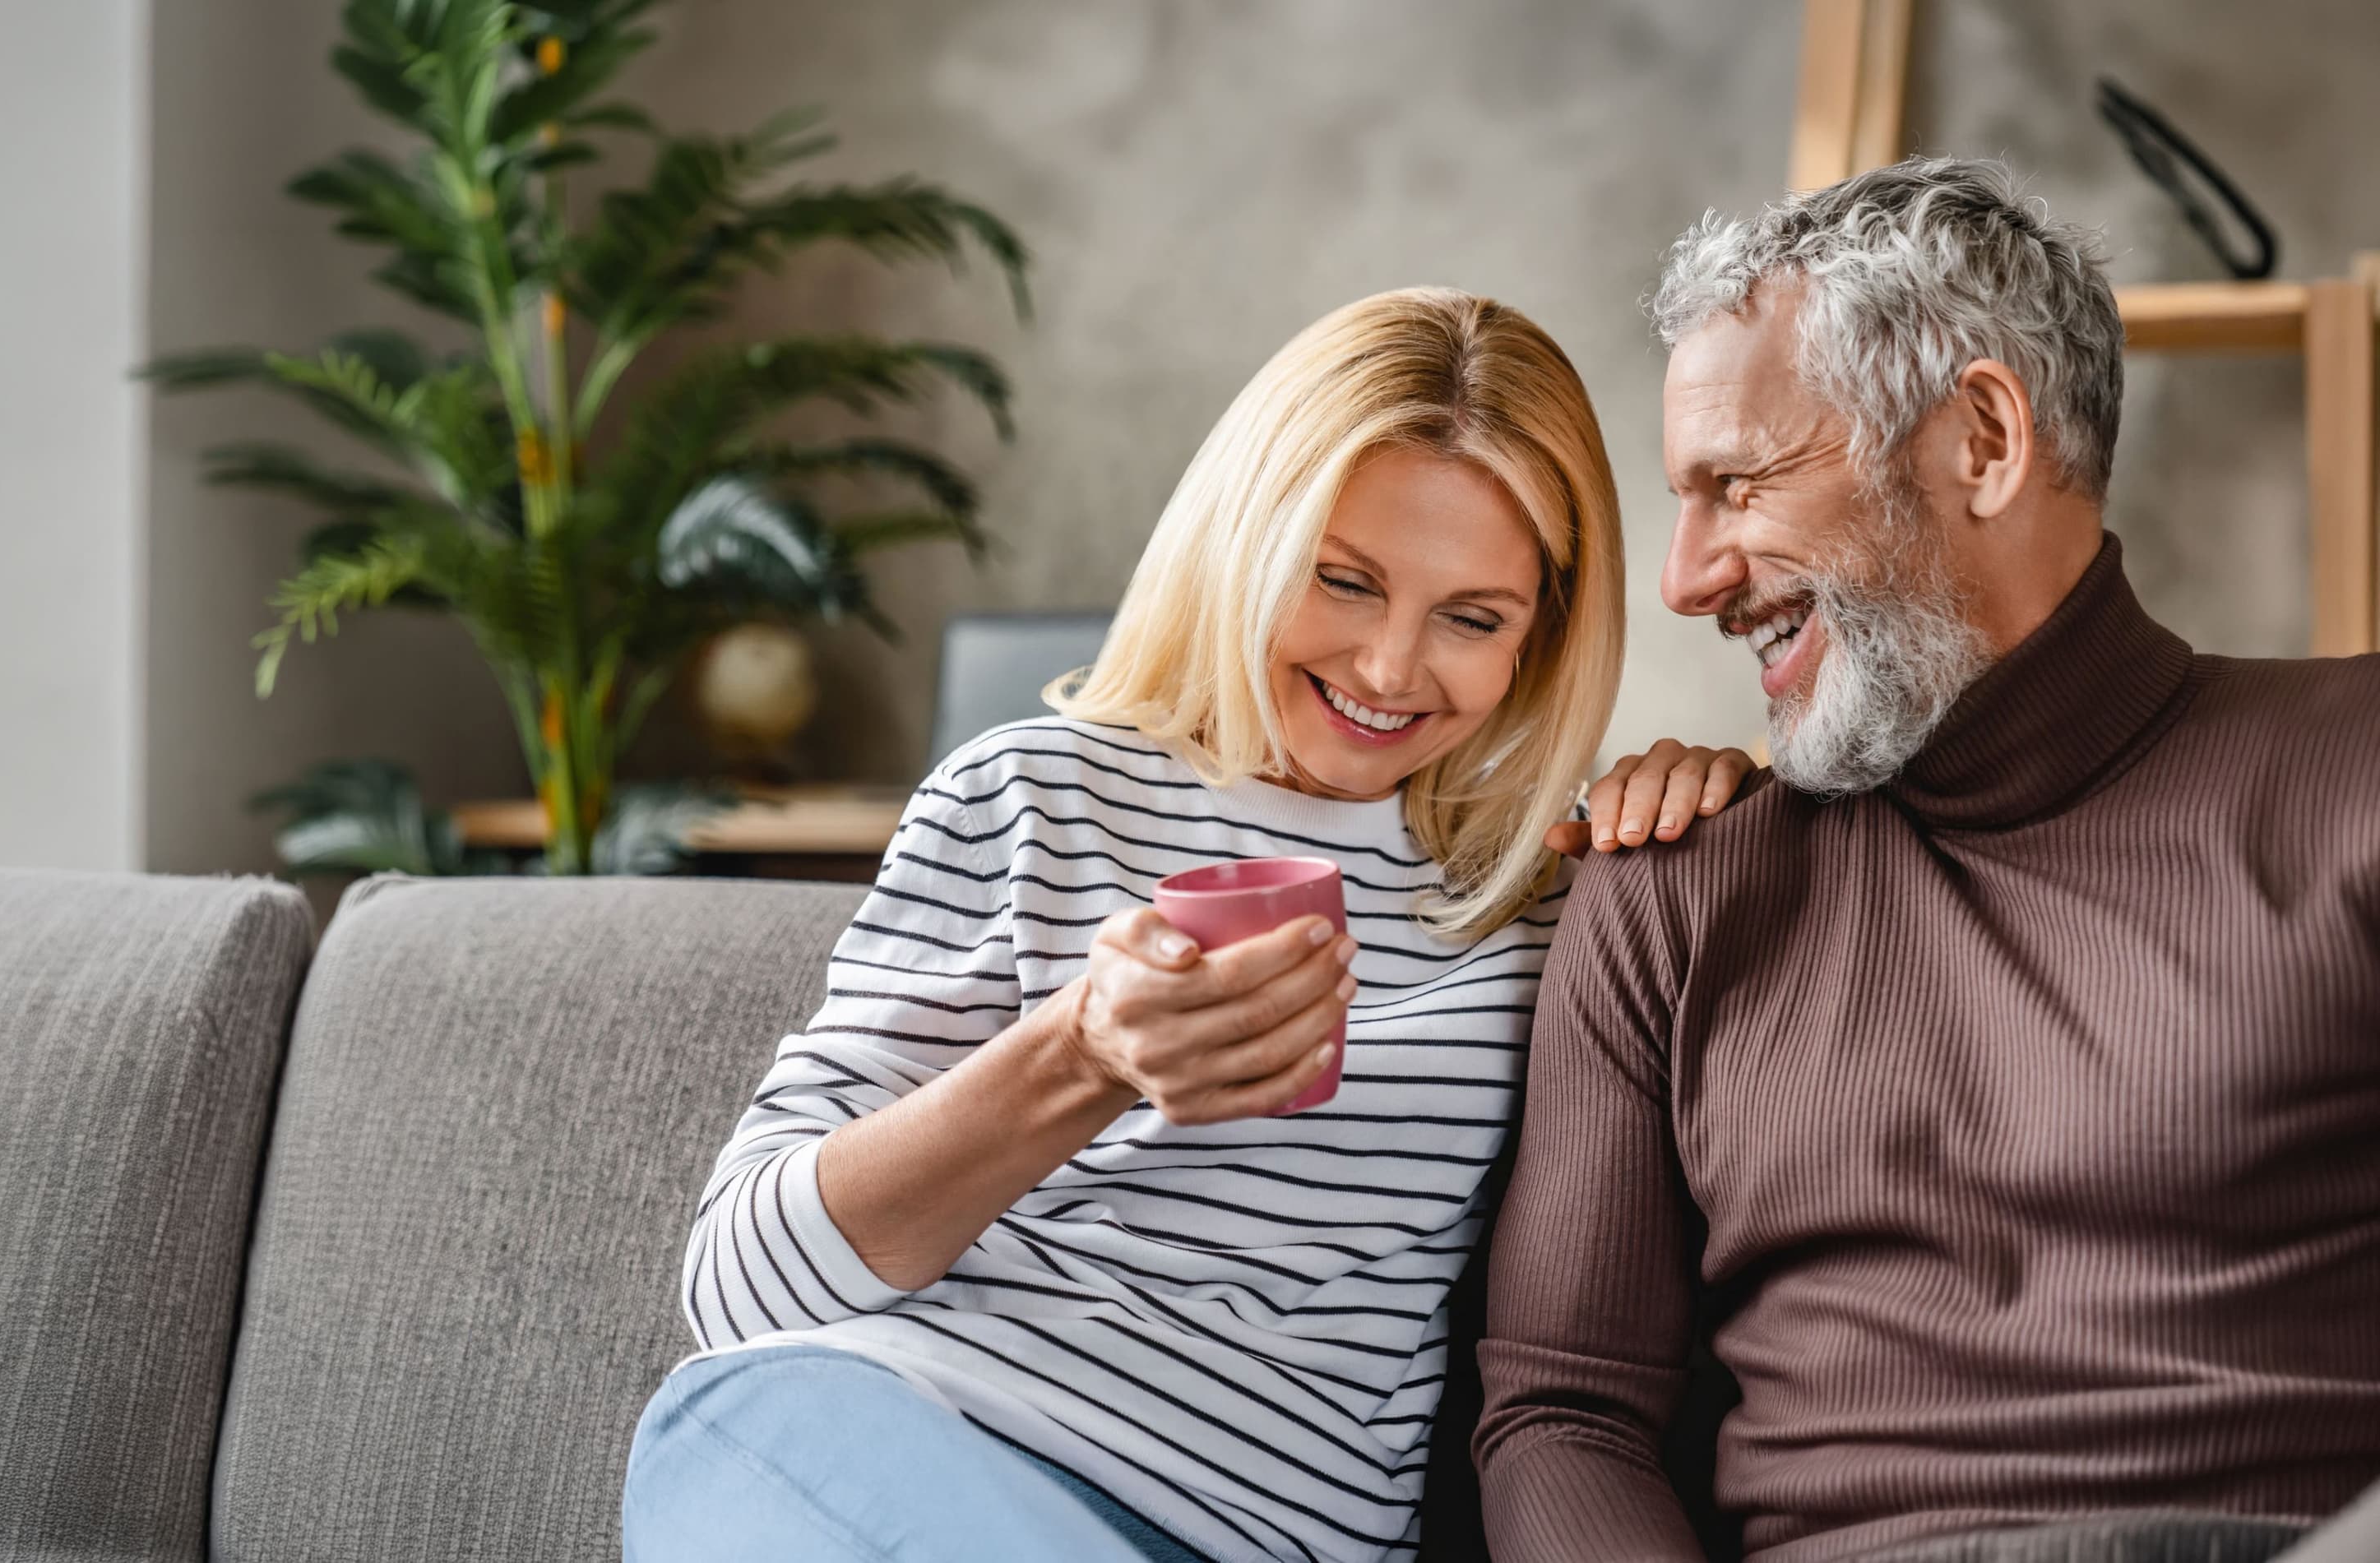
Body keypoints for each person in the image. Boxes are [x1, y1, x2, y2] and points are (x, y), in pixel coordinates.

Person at [623, 287, 1753, 1562]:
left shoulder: (1552, 893)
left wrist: (1721, 816)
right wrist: (1081, 1056)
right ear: (1247, 538)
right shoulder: (1030, 798)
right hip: (886, 1440)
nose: (1388, 667)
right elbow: (740, 1288)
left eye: (1472, 618)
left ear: (1542, 637)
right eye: (1343, 581)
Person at [1475, 158, 2380, 1562]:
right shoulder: (1669, 892)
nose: (1688, 577)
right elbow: (1562, 1415)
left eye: (1739, 484)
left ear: (1982, 440)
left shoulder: (2357, 774)